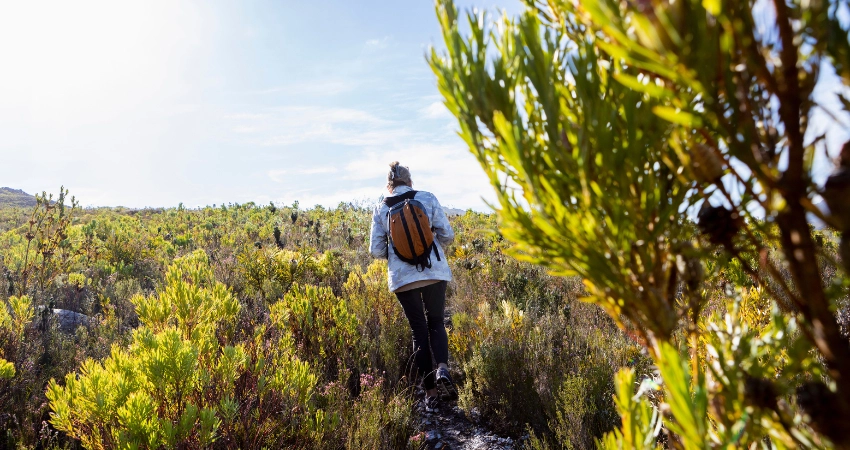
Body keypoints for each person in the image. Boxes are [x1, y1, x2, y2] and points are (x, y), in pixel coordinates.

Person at [369, 161, 457, 410]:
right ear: (409, 181)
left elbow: (376, 250)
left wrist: (397, 253)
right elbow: (448, 235)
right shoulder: (427, 198)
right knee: (436, 322)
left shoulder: (380, 208)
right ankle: (442, 368)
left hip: (402, 279)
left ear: (389, 184)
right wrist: (428, 241)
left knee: (418, 331)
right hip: (434, 271)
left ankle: (431, 395)